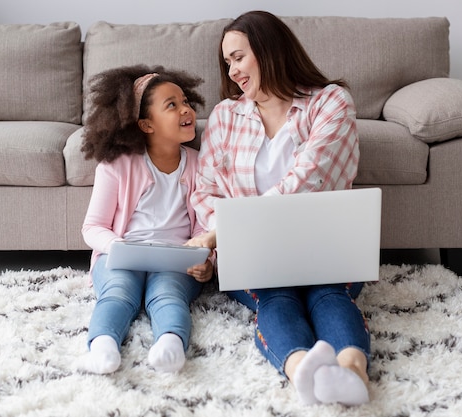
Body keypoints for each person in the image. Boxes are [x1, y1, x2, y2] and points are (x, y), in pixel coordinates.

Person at [188, 11, 370, 406]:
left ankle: (352, 371)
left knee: (329, 295)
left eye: (238, 57)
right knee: (277, 297)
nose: (232, 70)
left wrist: (225, 231)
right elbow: (204, 191)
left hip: (326, 246)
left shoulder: (330, 103)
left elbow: (308, 179)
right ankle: (302, 369)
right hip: (255, 255)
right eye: (227, 63)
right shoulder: (225, 116)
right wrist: (224, 233)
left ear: (268, 49)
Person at [80, 65, 214, 375]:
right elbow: (92, 227)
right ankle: (102, 346)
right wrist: (116, 246)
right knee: (118, 291)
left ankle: (170, 344)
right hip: (122, 254)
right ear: (146, 124)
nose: (185, 110)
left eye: (185, 102)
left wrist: (208, 260)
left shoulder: (198, 164)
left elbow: (204, 226)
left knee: (169, 294)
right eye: (172, 105)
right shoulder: (116, 165)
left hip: (176, 258)